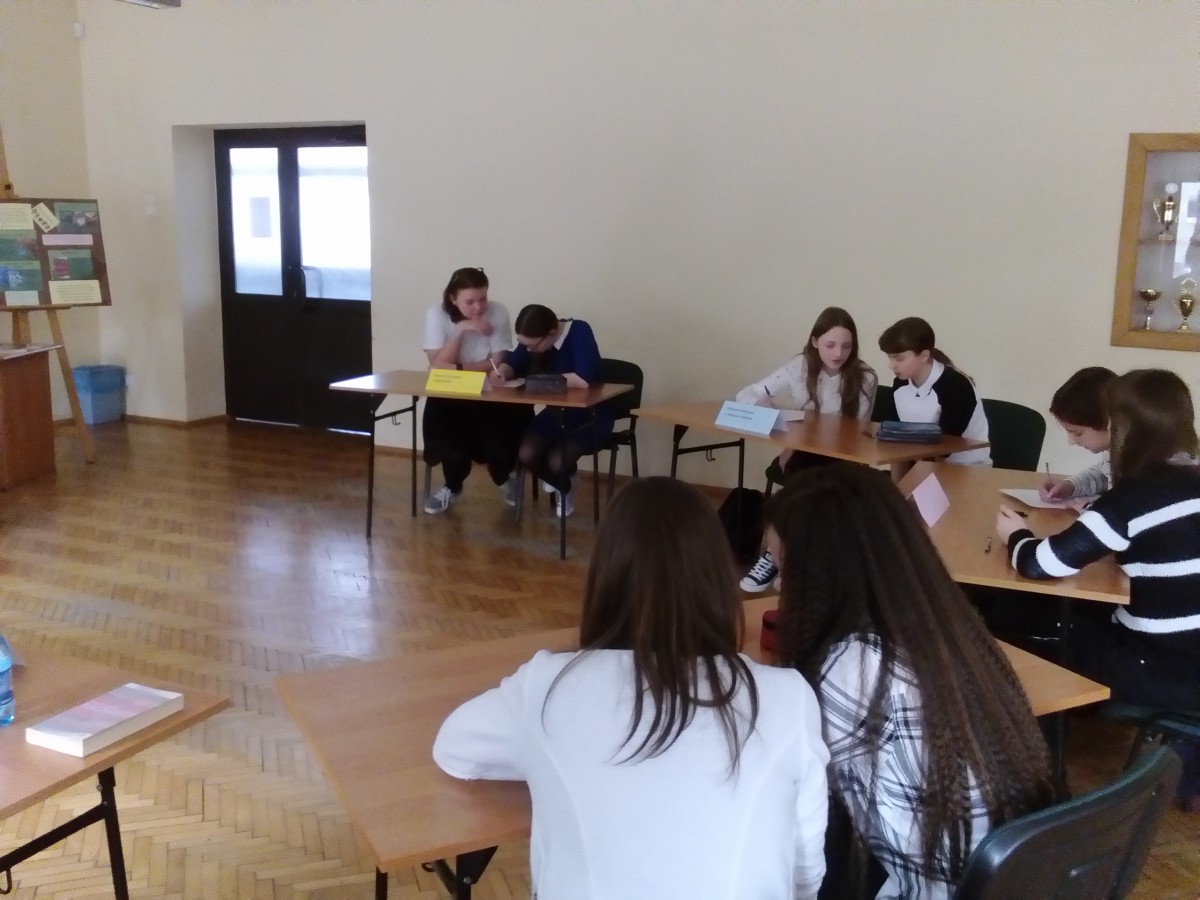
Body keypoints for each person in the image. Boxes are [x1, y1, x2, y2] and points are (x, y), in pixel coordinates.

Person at [433, 477, 830, 900]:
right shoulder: (789, 697)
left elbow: (453, 747)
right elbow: (806, 875)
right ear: (717, 579)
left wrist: (548, 763)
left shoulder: (548, 687)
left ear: (603, 578)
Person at [766, 463, 1055, 899]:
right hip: (1007, 878)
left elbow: (786, 791)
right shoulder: (946, 624)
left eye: (785, 569)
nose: (779, 587)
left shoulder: (854, 668)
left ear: (824, 574)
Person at [997, 368, 1200, 710]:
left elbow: (1038, 564)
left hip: (1159, 669)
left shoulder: (1131, 499)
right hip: (1188, 658)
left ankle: (1041, 733)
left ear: (1122, 430)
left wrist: (1015, 533)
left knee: (1016, 629)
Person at [735, 306, 878, 592]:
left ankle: (782, 558)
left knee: (806, 484)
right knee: (802, 476)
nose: (838, 353)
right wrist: (765, 406)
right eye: (830, 345)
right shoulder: (799, 367)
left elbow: (853, 433)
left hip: (842, 455)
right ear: (814, 342)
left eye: (846, 346)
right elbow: (748, 394)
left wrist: (794, 445)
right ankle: (787, 561)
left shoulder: (865, 377)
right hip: (804, 451)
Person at [421, 267, 531, 514]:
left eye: (483, 298)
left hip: (489, 393)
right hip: (449, 395)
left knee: (501, 446)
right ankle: (452, 486)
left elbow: (496, 361)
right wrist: (460, 330)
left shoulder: (498, 311)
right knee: (453, 449)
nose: (478, 307)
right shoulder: (437, 314)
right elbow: (436, 365)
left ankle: (503, 478)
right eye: (469, 302)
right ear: (453, 298)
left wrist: (456, 368)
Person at [491, 304, 612, 518]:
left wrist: (534, 380)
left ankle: (565, 485)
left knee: (557, 461)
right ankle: (564, 485)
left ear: (551, 333)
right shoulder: (533, 340)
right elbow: (515, 363)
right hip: (557, 413)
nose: (529, 350)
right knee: (526, 453)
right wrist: (502, 372)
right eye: (524, 344)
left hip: (590, 413)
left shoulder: (579, 331)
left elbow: (583, 379)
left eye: (533, 346)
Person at [873, 316, 990, 466]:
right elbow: (895, 439)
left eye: (899, 358)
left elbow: (945, 448)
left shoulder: (956, 386)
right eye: (890, 358)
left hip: (966, 468)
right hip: (922, 464)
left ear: (924, 355)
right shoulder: (900, 383)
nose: (891, 365)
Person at [1038, 366, 1117, 504]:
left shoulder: (1140, 463)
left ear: (1108, 422)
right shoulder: (1115, 452)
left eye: (1077, 433)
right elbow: (1105, 476)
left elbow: (1127, 502)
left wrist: (1089, 508)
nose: (1071, 441)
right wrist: (1070, 486)